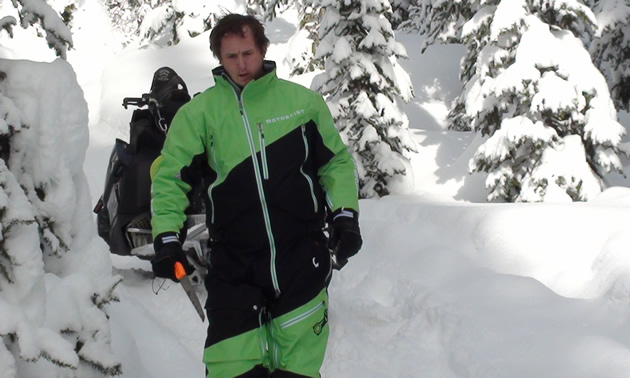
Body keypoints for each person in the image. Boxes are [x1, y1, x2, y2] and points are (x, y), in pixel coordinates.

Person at [149, 13, 362, 378]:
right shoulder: (199, 115)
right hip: (234, 263)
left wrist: (345, 216)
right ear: (218, 58)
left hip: (300, 258)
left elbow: (336, 164)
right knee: (232, 369)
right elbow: (170, 179)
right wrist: (167, 237)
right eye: (231, 56)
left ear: (263, 48)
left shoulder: (303, 103)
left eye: (248, 52)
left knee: (297, 371)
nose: (242, 64)